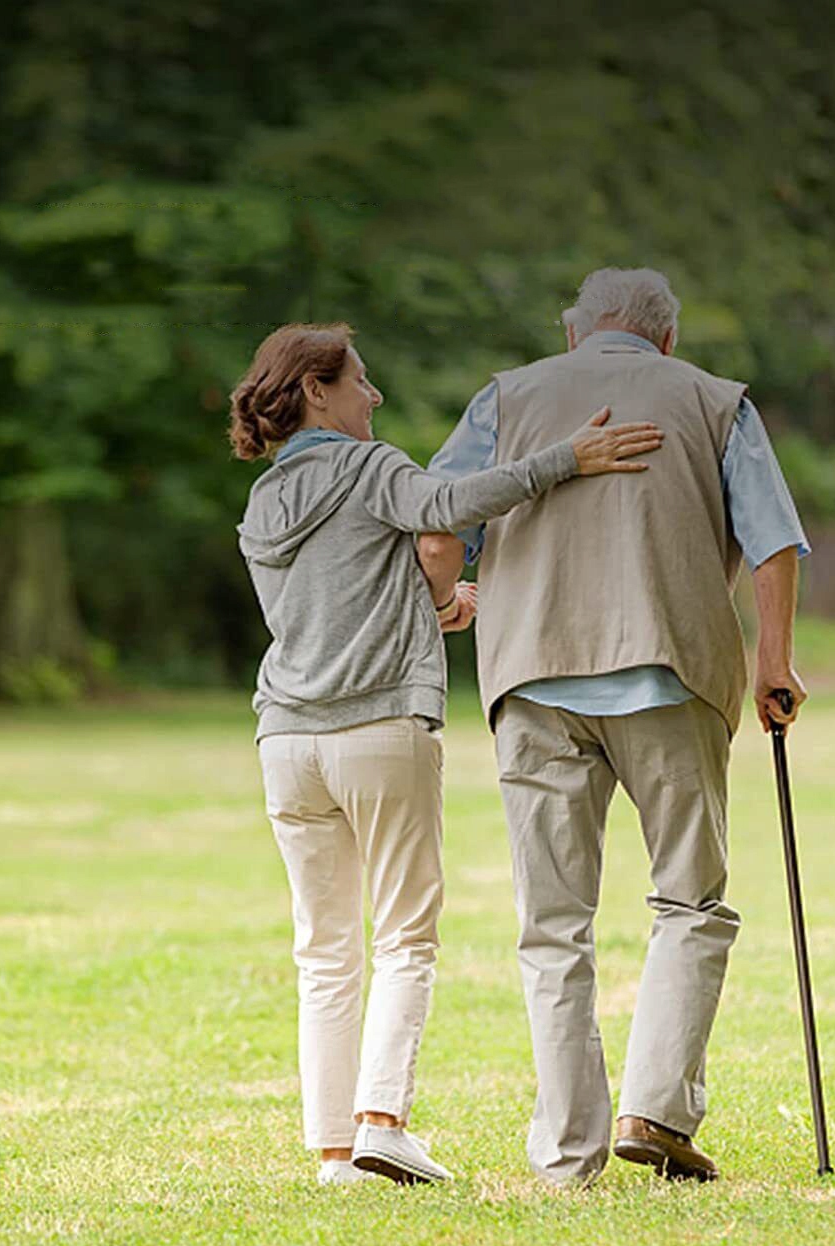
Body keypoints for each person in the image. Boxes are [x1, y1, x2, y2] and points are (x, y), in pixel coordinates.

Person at [229, 322, 663, 1186]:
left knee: (322, 948)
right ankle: (382, 1120)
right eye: (360, 380)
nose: (374, 396)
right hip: (379, 727)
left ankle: (332, 1151)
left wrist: (429, 602)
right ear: (317, 391)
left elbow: (335, 602)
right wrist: (565, 460)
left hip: (285, 737)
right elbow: (450, 513)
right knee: (404, 936)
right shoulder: (372, 467)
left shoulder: (263, 502)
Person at [429, 266, 810, 1186]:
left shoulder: (505, 399)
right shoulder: (718, 402)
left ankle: (567, 1155)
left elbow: (439, 527)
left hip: (533, 678)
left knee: (553, 923)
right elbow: (773, 540)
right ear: (666, 339)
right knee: (689, 899)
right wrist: (772, 663)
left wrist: (448, 600)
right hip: (671, 674)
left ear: (575, 335)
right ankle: (654, 1112)